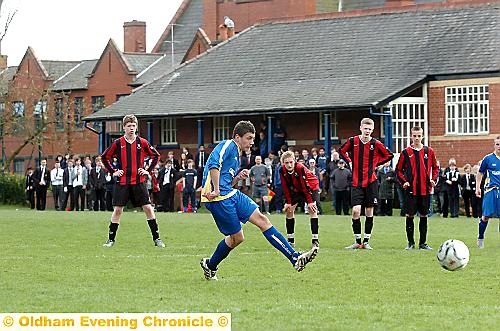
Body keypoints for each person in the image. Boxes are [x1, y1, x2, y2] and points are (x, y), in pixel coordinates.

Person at [200, 120, 318, 280]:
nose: (252, 142)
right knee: (237, 237)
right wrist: (215, 189)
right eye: (249, 138)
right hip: (218, 198)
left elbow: (226, 180)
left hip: (229, 193)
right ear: (237, 137)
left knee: (263, 220)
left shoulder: (237, 154)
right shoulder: (227, 145)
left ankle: (295, 258)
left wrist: (237, 178)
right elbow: (214, 165)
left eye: (252, 138)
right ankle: (211, 265)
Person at [100, 114, 164, 248]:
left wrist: (148, 170)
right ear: (124, 128)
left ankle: (157, 238)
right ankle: (111, 239)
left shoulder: (142, 142)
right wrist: (113, 171)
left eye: (133, 126)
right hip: (123, 182)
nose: (131, 128)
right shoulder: (118, 143)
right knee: (118, 210)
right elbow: (105, 157)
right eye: (129, 126)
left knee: (148, 208)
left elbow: (156, 156)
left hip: (139, 181)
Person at [339, 117, 394, 250]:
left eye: (370, 129)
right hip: (357, 181)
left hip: (371, 181)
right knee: (356, 211)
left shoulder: (376, 143)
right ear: (361, 128)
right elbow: (342, 151)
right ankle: (357, 242)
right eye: (365, 128)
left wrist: (376, 164)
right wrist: (350, 161)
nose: (367, 131)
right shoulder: (353, 141)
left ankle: (366, 241)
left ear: (373, 130)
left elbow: (389, 155)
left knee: (369, 211)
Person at [395, 126, 438, 250]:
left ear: (422, 136)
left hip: (425, 190)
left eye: (419, 136)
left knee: (424, 215)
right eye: (414, 135)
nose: (417, 138)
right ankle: (410, 243)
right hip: (411, 190)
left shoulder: (429, 151)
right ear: (411, 136)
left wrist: (433, 179)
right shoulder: (406, 152)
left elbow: (435, 168)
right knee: (410, 215)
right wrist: (404, 181)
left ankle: (423, 243)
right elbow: (398, 170)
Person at [279, 151, 321, 248]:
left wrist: (310, 202)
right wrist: (288, 202)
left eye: (291, 162)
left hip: (311, 187)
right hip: (297, 188)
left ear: (295, 161)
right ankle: (290, 240)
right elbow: (285, 187)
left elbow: (305, 185)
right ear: (283, 163)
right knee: (289, 211)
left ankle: (315, 239)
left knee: (312, 210)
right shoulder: (281, 170)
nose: (289, 165)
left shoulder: (300, 168)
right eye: (286, 163)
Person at [475, 135, 500, 248]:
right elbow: (480, 173)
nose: (499, 146)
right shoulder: (488, 158)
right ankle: (480, 238)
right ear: (494, 145)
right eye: (497, 144)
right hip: (491, 190)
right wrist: (478, 187)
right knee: (485, 216)